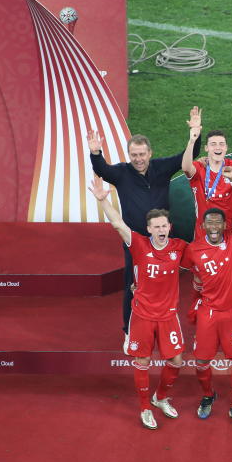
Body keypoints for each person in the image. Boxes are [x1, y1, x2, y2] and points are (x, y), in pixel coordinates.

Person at [87, 112, 200, 336]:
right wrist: (95, 152)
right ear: (129, 155)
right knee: (132, 283)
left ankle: (165, 325)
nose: (138, 159)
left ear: (150, 153)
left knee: (165, 282)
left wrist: (194, 135)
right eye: (134, 155)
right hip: (135, 240)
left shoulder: (162, 167)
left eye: (142, 154)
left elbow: (188, 156)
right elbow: (102, 170)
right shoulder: (121, 173)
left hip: (162, 239)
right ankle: (129, 330)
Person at [89, 177, 187, 430]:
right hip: (142, 315)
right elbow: (118, 224)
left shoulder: (179, 248)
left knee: (176, 361)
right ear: (149, 229)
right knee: (142, 362)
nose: (161, 230)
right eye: (156, 227)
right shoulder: (140, 245)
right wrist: (104, 200)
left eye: (164, 225)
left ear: (170, 227)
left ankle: (160, 398)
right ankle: (145, 407)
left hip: (168, 316)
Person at [182, 159, 232, 427]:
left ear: (225, 225)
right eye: (209, 223)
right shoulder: (193, 250)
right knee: (201, 360)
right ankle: (208, 395)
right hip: (209, 311)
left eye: (218, 223)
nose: (214, 226)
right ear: (203, 226)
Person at [182, 108, 232, 237]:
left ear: (226, 147)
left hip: (230, 234)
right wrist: (192, 140)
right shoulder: (200, 167)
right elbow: (185, 167)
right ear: (206, 148)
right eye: (213, 144)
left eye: (221, 144)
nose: (217, 147)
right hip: (203, 234)